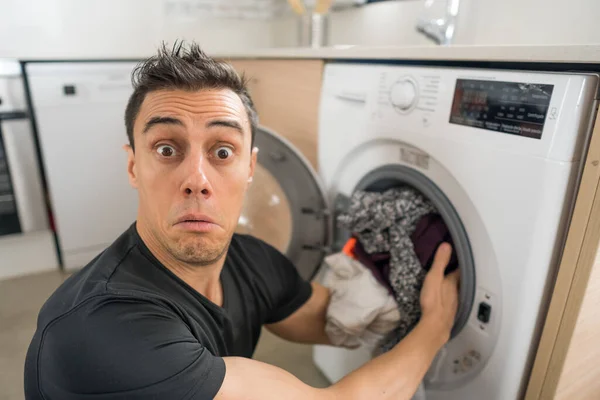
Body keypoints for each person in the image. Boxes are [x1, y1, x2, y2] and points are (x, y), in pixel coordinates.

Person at [24, 42, 460, 400]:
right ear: (134, 166)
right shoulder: (103, 329)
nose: (197, 180)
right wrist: (436, 326)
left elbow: (327, 317)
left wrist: (400, 282)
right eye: (167, 149)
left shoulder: (252, 261)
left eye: (222, 151)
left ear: (251, 168)